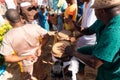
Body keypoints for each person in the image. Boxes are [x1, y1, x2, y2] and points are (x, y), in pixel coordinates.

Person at [69, 0, 120, 80]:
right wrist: (75, 25)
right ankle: (80, 75)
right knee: (81, 52)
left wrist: (72, 52)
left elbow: (95, 63)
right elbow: (89, 31)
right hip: (104, 64)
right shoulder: (105, 19)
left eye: (94, 10)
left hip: (112, 74)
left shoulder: (114, 31)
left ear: (102, 11)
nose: (94, 12)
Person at [0, 9, 49, 79]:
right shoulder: (34, 27)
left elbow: (8, 58)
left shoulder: (7, 37)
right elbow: (47, 36)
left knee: (28, 76)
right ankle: (42, 77)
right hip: (38, 55)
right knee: (40, 70)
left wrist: (25, 57)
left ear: (8, 21)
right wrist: (40, 47)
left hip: (25, 62)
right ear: (20, 17)